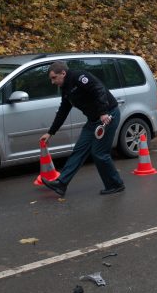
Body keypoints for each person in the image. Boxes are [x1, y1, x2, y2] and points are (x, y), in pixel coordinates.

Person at [40, 61, 126, 197]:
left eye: (54, 78)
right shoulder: (65, 88)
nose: (52, 82)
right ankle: (61, 184)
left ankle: (115, 184)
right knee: (79, 150)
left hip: (108, 115)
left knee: (99, 153)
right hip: (93, 121)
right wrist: (51, 132)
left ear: (63, 73)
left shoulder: (79, 77)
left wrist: (103, 112)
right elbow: (63, 110)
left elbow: (99, 89)